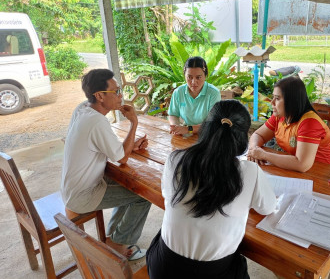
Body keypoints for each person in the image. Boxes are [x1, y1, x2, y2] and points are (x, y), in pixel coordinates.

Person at [147, 100, 277, 279]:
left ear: (207, 127)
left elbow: (167, 195)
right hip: (215, 272)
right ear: (242, 137)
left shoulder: (175, 159)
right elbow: (268, 208)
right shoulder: (250, 172)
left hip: (165, 268)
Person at [61, 69, 151, 260]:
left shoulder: (82, 109)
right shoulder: (97, 121)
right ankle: (118, 244)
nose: (120, 96)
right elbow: (122, 158)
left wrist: (129, 147)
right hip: (83, 195)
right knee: (143, 195)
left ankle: (112, 236)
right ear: (100, 96)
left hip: (73, 187)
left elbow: (113, 151)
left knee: (129, 187)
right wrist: (134, 122)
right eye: (116, 92)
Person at [247, 76, 330, 172]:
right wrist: (254, 150)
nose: (271, 102)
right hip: (295, 169)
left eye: (277, 98)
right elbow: (258, 135)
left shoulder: (309, 123)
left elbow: (301, 164)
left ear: (291, 101)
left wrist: (263, 155)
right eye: (273, 97)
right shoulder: (280, 116)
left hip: (322, 173)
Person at [168, 56, 221, 135]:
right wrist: (176, 126)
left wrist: (188, 129)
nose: (193, 82)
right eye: (189, 77)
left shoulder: (213, 93)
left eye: (198, 77)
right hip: (186, 135)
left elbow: (213, 123)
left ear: (205, 76)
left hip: (207, 135)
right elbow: (173, 114)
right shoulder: (178, 92)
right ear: (185, 76)